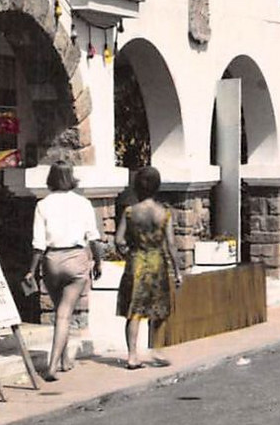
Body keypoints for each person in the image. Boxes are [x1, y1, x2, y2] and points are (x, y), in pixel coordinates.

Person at [29, 163, 102, 380]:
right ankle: (52, 365)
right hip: (75, 259)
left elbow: (38, 244)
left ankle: (64, 359)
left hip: (51, 260)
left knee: (60, 310)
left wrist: (31, 270)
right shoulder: (83, 203)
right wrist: (98, 262)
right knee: (64, 314)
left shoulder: (42, 205)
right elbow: (94, 239)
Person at [114, 165, 182, 369]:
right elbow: (170, 244)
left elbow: (118, 239)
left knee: (133, 310)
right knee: (159, 308)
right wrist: (177, 271)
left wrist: (126, 252)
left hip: (136, 261)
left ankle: (132, 355)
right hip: (157, 262)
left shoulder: (129, 212)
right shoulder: (164, 213)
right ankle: (156, 349)